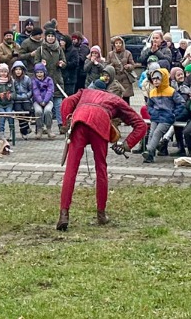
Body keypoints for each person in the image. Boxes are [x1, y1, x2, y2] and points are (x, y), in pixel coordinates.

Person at [56, 76, 147, 230]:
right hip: (100, 124)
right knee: (101, 169)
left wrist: (67, 121)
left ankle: (63, 214)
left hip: (79, 123)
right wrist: (126, 145)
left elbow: (66, 102)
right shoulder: (117, 101)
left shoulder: (85, 92)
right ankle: (101, 214)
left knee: (71, 170)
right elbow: (141, 125)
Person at [140, 62, 183, 163]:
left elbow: (181, 103)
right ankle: (150, 155)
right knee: (152, 133)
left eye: (157, 78)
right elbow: (149, 105)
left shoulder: (171, 91)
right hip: (156, 116)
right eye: (153, 79)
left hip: (167, 118)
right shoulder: (153, 92)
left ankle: (149, 151)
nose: (155, 81)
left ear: (163, 79)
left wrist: (174, 114)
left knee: (157, 133)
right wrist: (152, 112)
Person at [0, 63, 17, 146]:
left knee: (9, 113)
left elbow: (14, 93)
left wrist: (10, 96)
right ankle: (1, 132)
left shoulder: (10, 81)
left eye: (5, 71)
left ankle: (11, 131)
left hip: (8, 103)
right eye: (2, 71)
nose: (3, 73)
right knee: (3, 114)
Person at [31, 62, 57, 138]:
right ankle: (39, 129)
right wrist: (40, 101)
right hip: (37, 101)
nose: (39, 74)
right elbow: (35, 91)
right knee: (38, 111)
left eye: (41, 72)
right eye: (37, 72)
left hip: (48, 101)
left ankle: (49, 129)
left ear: (44, 72)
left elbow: (50, 91)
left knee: (47, 111)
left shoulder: (49, 80)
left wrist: (45, 101)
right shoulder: (34, 81)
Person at [9, 61, 33, 138]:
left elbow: (31, 90)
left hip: (26, 99)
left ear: (23, 70)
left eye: (20, 69)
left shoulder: (27, 79)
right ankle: (24, 131)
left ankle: (25, 128)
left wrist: (27, 95)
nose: (18, 71)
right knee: (20, 113)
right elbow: (12, 91)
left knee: (28, 111)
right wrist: (17, 97)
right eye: (16, 69)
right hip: (17, 100)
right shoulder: (12, 80)